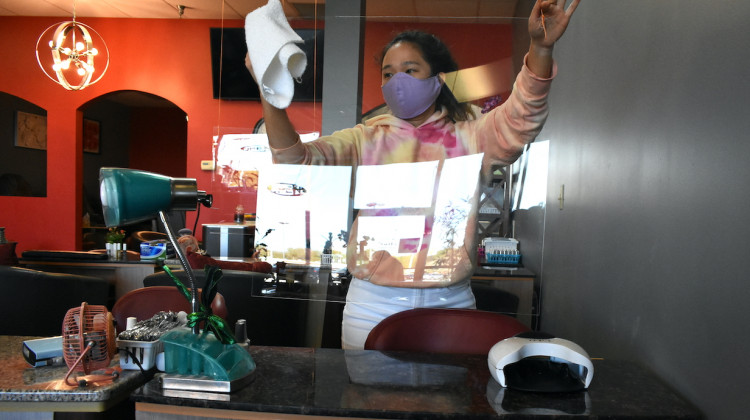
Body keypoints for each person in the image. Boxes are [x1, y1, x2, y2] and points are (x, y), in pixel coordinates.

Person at [245, 0, 581, 349]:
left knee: (447, 402)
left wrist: (541, 47)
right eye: (388, 74)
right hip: (372, 305)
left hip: (450, 302)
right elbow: (295, 164)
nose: (397, 81)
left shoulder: (470, 135)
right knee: (368, 401)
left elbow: (522, 116)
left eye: (410, 69)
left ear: (438, 78)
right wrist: (269, 92)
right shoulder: (365, 139)